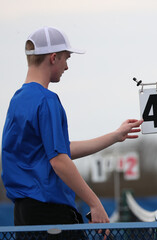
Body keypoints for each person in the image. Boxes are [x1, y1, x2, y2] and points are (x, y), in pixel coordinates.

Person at [1, 26, 143, 227]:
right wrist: (95, 203)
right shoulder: (47, 100)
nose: (67, 66)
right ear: (53, 58)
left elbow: (59, 150)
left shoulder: (17, 100)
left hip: (23, 215)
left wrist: (115, 136)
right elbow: (59, 160)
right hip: (51, 214)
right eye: (66, 58)